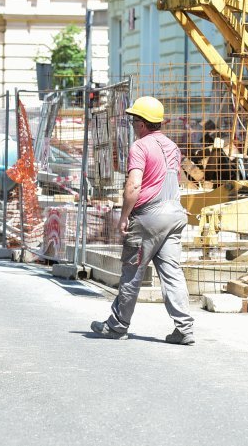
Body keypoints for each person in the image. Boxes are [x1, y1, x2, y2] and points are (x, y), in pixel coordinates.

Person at [91, 96, 195, 345]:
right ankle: (184, 329)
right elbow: (174, 179)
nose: (132, 125)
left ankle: (117, 325)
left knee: (132, 272)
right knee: (172, 273)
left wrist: (125, 216)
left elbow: (134, 184)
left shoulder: (140, 147)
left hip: (149, 217)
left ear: (142, 123)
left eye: (133, 120)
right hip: (174, 214)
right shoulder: (172, 146)